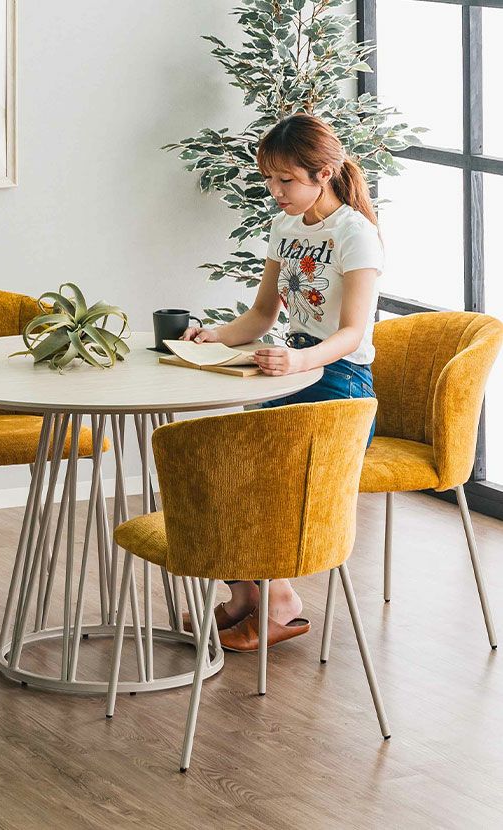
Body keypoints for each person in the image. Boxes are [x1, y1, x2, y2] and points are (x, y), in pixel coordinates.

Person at [181, 111, 383, 653]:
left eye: (286, 179)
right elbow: (260, 317)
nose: (275, 191)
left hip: (340, 385)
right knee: (221, 466)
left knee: (262, 482)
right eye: (269, 179)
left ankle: (281, 601)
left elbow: (353, 334)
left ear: (324, 173)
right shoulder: (284, 228)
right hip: (290, 373)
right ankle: (248, 595)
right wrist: (213, 336)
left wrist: (298, 362)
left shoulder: (355, 234)